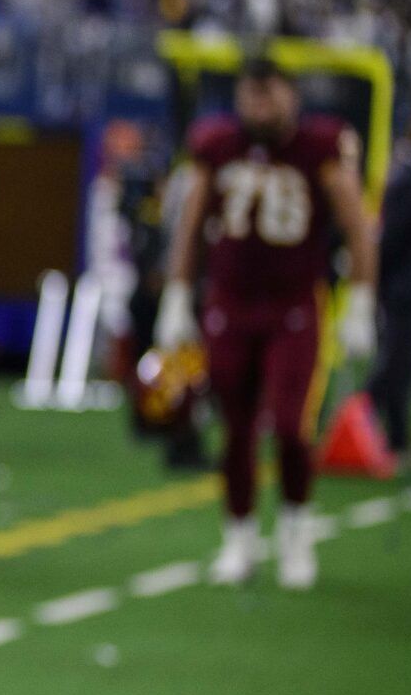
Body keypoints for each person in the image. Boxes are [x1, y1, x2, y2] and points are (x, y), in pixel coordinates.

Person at [157, 59, 378, 589]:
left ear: (292, 96)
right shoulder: (218, 145)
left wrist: (362, 302)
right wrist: (178, 292)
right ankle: (239, 537)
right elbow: (191, 223)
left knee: (287, 424)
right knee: (233, 427)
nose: (259, 105)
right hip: (230, 305)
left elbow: (358, 227)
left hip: (293, 307)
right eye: (250, 94)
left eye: (269, 94)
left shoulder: (318, 148)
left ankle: (297, 533)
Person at [368, 116, 411, 469]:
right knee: (396, 364)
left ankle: (394, 435)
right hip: (405, 290)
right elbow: (391, 241)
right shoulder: (406, 181)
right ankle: (367, 421)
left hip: (410, 288)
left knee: (402, 364)